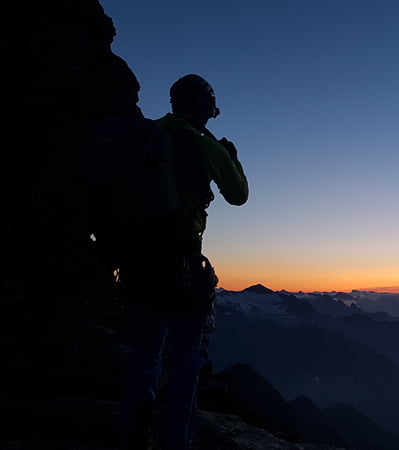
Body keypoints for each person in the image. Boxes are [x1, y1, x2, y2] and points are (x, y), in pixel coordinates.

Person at [119, 74, 248, 450]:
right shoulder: (205, 145)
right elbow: (238, 196)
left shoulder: (143, 136)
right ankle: (176, 441)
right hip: (182, 265)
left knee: (144, 356)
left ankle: (132, 437)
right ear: (206, 110)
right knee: (187, 356)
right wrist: (232, 158)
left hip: (136, 262)